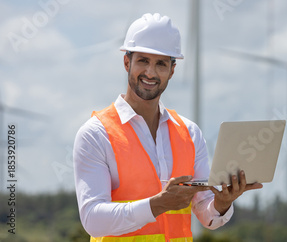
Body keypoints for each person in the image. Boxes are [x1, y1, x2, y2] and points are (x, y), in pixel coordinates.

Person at [73, 13, 262, 241]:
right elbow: (93, 220)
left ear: (172, 70)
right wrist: (157, 204)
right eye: (143, 60)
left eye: (160, 64)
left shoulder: (190, 134)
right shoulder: (96, 134)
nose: (150, 73)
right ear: (127, 62)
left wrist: (222, 203)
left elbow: (205, 212)